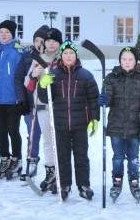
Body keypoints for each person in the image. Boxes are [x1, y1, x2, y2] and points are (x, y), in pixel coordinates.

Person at [39, 40, 100, 201]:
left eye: (71, 53)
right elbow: (45, 98)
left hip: (80, 123)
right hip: (60, 124)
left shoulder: (86, 75)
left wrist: (94, 119)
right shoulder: (54, 74)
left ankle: (83, 185)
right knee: (62, 156)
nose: (68, 55)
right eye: (65, 53)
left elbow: (93, 99)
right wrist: (43, 85)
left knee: (81, 156)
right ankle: (64, 185)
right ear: (61, 56)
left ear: (76, 56)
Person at [99, 46, 140, 202]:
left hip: (135, 126)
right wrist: (105, 100)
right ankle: (117, 180)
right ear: (119, 60)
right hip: (116, 125)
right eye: (124, 59)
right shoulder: (111, 77)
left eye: (130, 59)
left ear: (135, 61)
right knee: (117, 156)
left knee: (133, 157)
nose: (127, 62)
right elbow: (108, 96)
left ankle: (134, 180)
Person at [0, 20, 25, 180]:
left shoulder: (18, 53)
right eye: (1, 31)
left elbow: (20, 77)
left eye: (7, 32)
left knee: (13, 131)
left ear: (13, 34)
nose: (3, 34)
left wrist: (20, 98)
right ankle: (4, 159)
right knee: (1, 131)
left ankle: (16, 160)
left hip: (13, 100)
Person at [28, 28, 62, 193]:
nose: (51, 43)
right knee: (48, 141)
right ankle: (50, 172)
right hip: (42, 106)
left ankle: (61, 174)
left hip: (60, 108)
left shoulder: (66, 58)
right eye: (48, 41)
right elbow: (28, 84)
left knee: (60, 142)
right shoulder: (38, 59)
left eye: (54, 41)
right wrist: (34, 74)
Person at [14, 24, 49, 180]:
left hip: (47, 105)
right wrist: (22, 99)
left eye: (43, 41)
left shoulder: (52, 58)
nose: (39, 44)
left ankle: (52, 165)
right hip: (30, 103)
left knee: (49, 136)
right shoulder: (27, 57)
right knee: (33, 134)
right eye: (36, 40)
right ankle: (32, 160)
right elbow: (19, 78)